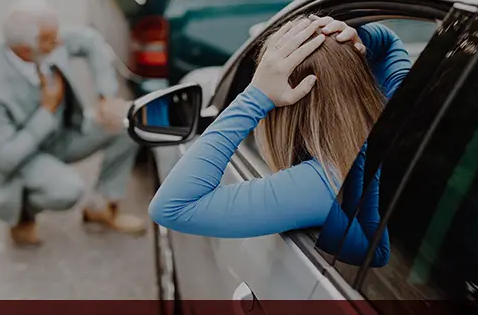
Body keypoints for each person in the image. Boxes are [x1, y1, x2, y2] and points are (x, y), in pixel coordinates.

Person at [148, 14, 411, 266]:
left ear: (282, 112)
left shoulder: (321, 185)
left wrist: (255, 98)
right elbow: (389, 43)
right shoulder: (404, 116)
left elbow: (173, 207)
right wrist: (348, 40)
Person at [0, 0, 146, 247]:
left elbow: (91, 41)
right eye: (51, 40)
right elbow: (5, 156)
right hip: (28, 156)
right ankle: (22, 214)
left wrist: (106, 96)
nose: (60, 42)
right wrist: (46, 109)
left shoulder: (48, 39)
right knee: (68, 191)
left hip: (66, 133)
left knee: (129, 121)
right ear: (24, 49)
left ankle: (101, 206)